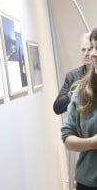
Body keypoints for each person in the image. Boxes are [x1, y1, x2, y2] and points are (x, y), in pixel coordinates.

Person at [61, 28, 97, 190]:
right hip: (88, 181)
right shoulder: (81, 92)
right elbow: (67, 137)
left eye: (96, 48)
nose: (92, 54)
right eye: (91, 47)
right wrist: (91, 142)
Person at [53, 32, 91, 115]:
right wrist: (75, 92)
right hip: (79, 125)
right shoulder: (72, 76)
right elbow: (57, 108)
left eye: (90, 49)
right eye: (83, 50)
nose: (86, 54)